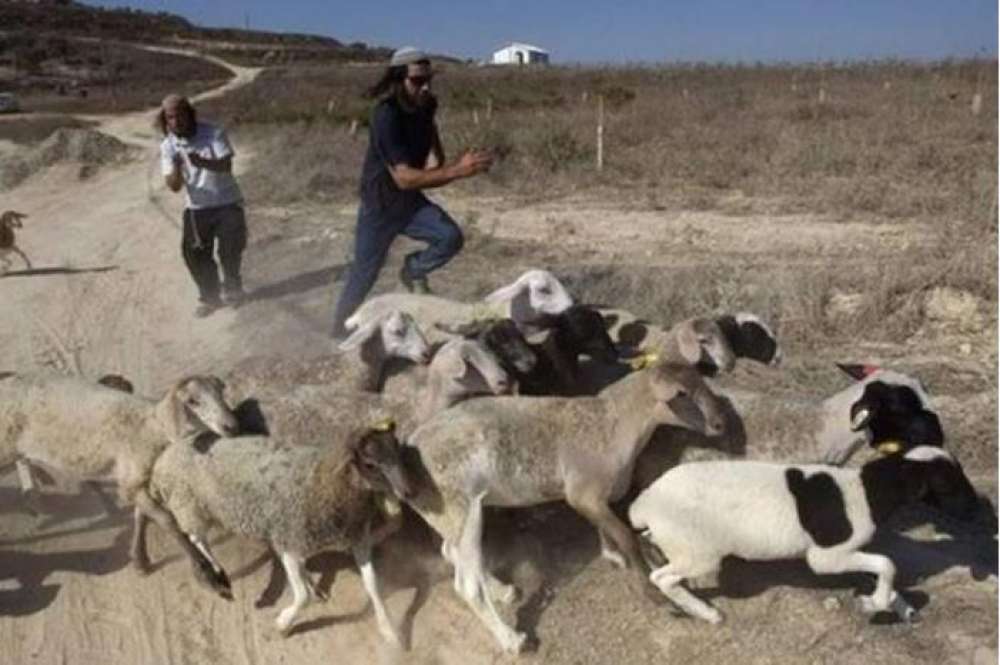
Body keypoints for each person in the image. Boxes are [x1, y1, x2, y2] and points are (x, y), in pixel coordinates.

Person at [329, 47, 494, 339]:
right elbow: (404, 178)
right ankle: (339, 332)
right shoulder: (386, 114)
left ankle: (413, 269)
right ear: (398, 79)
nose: (426, 87)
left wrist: (441, 161)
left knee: (449, 237)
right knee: (365, 273)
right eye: (418, 81)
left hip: (409, 202)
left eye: (428, 80)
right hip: (380, 205)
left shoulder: (427, 104)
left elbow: (431, 144)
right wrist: (458, 170)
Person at [157, 93, 248, 318]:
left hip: (227, 202)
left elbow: (226, 166)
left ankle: (233, 289)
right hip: (197, 208)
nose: (176, 122)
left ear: (190, 114)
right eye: (170, 118)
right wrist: (177, 167)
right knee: (194, 255)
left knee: (230, 250)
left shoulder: (213, 133)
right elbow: (174, 186)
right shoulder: (168, 145)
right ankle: (210, 297)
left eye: (179, 116)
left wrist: (200, 162)